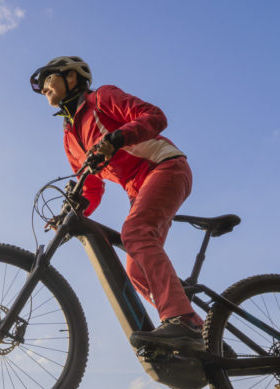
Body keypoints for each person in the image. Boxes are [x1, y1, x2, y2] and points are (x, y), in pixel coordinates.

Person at [30, 56, 203, 351]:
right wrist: (72, 213)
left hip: (165, 167)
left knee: (134, 233)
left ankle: (181, 321)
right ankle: (202, 334)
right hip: (138, 190)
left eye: (49, 78)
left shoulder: (101, 97)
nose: (45, 87)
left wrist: (117, 137)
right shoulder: (69, 137)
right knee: (137, 272)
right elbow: (92, 187)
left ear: (71, 77)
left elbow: (155, 116)